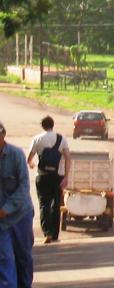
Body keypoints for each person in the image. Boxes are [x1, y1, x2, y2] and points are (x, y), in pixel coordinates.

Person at [0, 120, 34, 288]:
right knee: (5, 259)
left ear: (3, 136)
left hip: (21, 215)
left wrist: (6, 209)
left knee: (23, 257)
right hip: (1, 222)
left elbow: (24, 187)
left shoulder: (16, 154)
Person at [26, 116, 70, 245]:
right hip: (57, 176)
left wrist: (32, 165)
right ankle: (55, 234)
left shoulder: (37, 139)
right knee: (56, 205)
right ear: (53, 125)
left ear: (42, 126)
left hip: (42, 176)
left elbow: (29, 158)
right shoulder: (62, 139)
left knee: (44, 204)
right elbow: (68, 158)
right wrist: (66, 176)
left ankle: (47, 233)